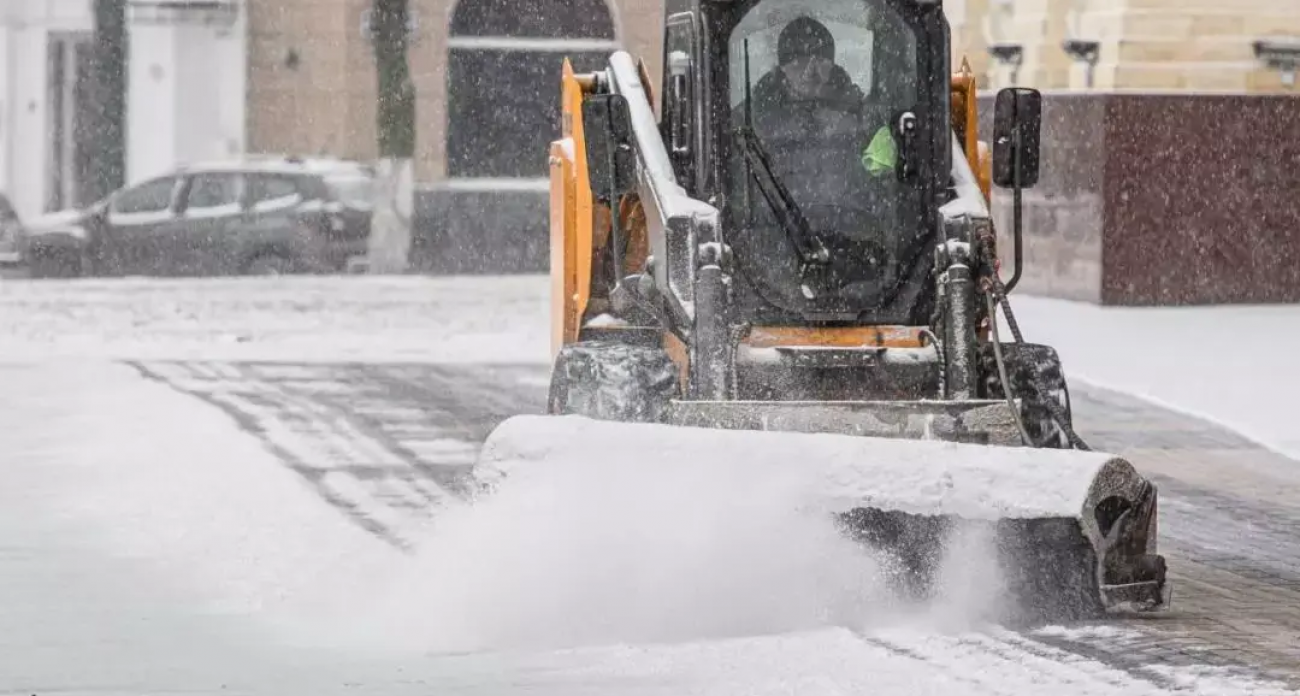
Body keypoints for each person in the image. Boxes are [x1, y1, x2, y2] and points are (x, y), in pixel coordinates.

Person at [745, 16, 897, 181]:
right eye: (799, 61)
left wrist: (848, 114)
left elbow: (886, 174)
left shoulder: (862, 113)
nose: (810, 70)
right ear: (783, 68)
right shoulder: (750, 117)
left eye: (820, 60)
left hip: (853, 207)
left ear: (832, 65)